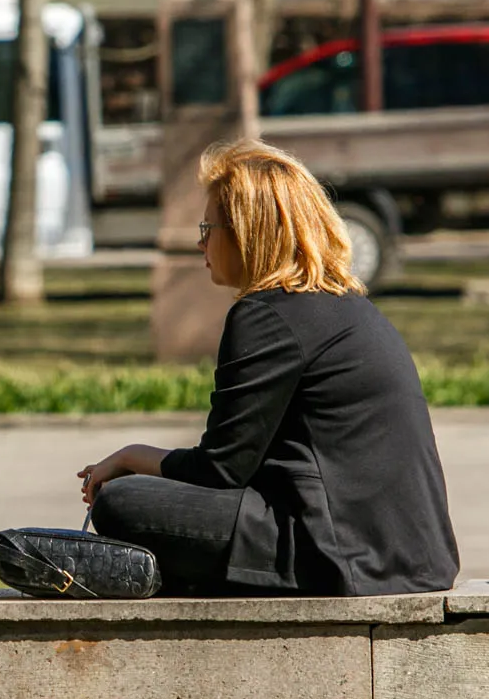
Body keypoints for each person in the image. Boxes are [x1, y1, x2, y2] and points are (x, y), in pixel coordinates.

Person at [78, 141, 458, 596]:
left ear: (246, 230)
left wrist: (129, 457)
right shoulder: (346, 307)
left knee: (122, 502)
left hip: (342, 555)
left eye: (208, 227)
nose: (201, 242)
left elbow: (221, 469)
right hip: (412, 556)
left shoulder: (267, 314)